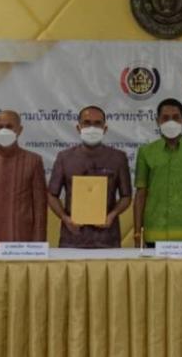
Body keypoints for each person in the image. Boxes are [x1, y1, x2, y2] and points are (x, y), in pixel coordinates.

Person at [49, 106, 132, 249]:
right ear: (78, 127)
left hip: (107, 239)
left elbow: (126, 196)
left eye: (97, 123)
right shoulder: (64, 158)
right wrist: (65, 218)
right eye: (87, 123)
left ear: (105, 128)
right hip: (72, 238)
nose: (92, 128)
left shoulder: (118, 158)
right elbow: (51, 194)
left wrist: (112, 215)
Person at [133, 98, 182, 246]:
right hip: (153, 232)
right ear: (157, 121)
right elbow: (140, 194)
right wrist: (137, 233)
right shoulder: (145, 152)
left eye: (175, 117)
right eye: (165, 118)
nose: (171, 122)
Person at [0, 110, 48, 245]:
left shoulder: (34, 161)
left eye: (9, 127)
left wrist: (38, 242)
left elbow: (40, 205)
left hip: (21, 238)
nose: (4, 131)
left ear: (19, 130)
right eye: (0, 127)